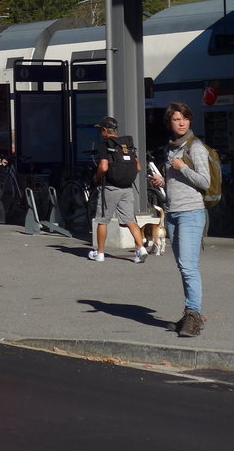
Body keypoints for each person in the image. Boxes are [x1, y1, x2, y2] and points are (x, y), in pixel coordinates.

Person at [149, 102, 211, 337]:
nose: (181, 123)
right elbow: (177, 180)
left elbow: (204, 182)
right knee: (183, 266)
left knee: (188, 266)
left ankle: (193, 315)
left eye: (185, 118)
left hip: (191, 213)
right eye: (176, 119)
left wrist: (183, 168)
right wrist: (163, 182)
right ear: (170, 123)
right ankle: (189, 313)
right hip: (174, 212)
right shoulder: (171, 148)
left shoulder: (195, 148)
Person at [88, 116, 147, 264]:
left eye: (101, 130)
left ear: (105, 130)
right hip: (127, 188)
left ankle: (100, 253)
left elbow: (103, 167)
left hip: (110, 187)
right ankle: (141, 248)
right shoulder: (126, 145)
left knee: (103, 220)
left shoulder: (105, 145)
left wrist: (98, 178)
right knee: (129, 220)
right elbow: (138, 167)